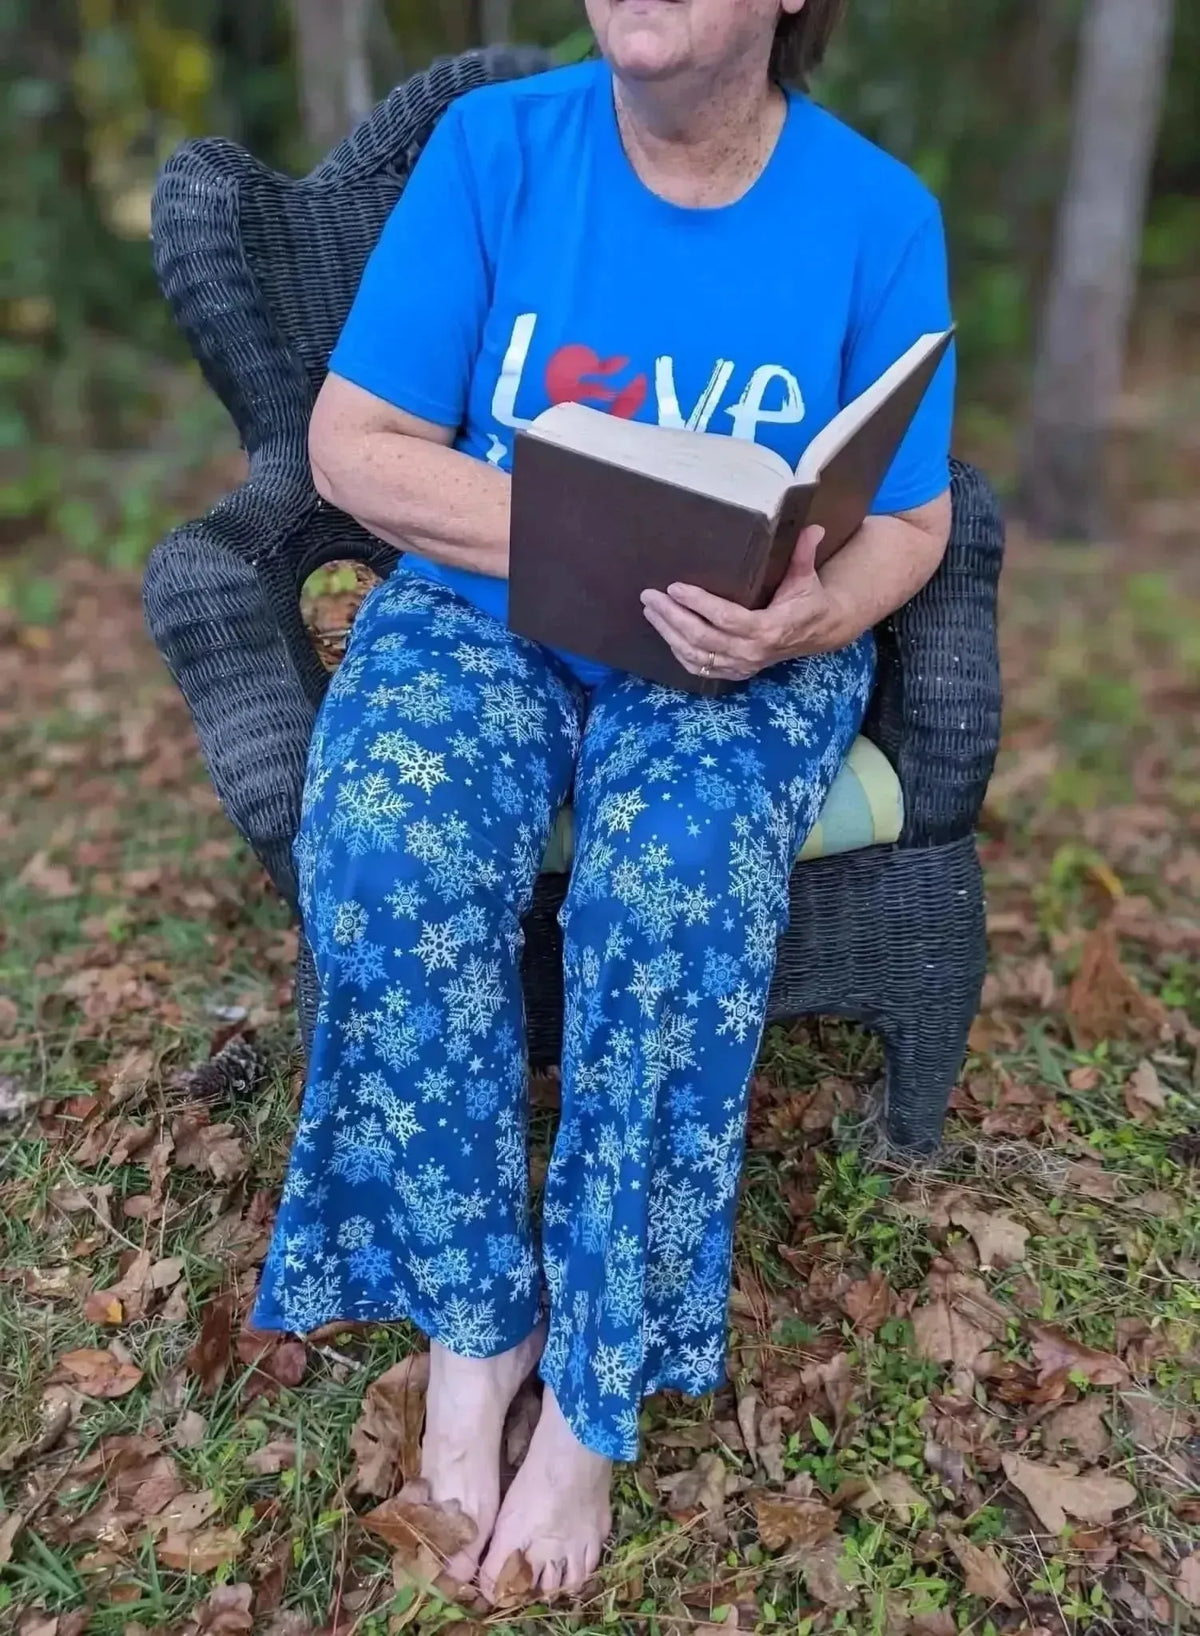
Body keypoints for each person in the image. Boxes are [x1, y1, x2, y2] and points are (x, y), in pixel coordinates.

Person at [254, 0, 955, 1601]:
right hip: (487, 605)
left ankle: (590, 1387)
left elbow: (909, 525)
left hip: (732, 648)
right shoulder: (496, 152)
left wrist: (809, 618)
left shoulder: (873, 214)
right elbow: (355, 445)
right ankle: (474, 1325)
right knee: (387, 838)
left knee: (677, 876)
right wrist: (571, 521)